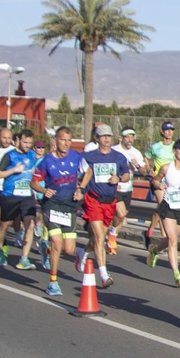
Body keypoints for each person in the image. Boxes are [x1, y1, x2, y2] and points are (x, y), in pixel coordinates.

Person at [31, 127, 86, 297]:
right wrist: (43, 189)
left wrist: (81, 189)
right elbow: (33, 182)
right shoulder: (46, 161)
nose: (66, 143)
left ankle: (45, 250)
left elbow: (88, 171)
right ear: (56, 140)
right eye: (63, 140)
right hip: (52, 205)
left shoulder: (76, 157)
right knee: (57, 242)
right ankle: (53, 282)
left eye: (69, 140)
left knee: (69, 250)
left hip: (69, 206)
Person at [77, 124, 131, 289]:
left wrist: (119, 179)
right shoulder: (88, 157)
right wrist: (80, 190)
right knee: (100, 238)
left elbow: (127, 175)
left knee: (96, 239)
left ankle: (83, 252)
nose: (107, 138)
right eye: (103, 136)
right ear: (97, 138)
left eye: (109, 136)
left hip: (110, 201)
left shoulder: (119, 157)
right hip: (93, 200)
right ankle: (104, 275)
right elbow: (81, 177)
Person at [149, 138, 180, 287]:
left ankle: (155, 251)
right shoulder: (166, 167)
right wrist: (160, 184)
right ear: (174, 151)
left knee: (173, 238)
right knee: (173, 240)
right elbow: (155, 181)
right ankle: (177, 275)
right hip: (168, 206)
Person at [0, 129, 40, 269]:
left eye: (30, 143)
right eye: (25, 142)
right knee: (4, 225)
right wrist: (13, 170)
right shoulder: (10, 156)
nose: (27, 145)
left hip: (27, 196)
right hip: (10, 195)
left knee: (30, 225)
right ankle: (0, 250)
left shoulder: (33, 155)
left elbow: (40, 172)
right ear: (18, 141)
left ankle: (24, 258)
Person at [144, 121, 177, 249]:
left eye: (171, 130)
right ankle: (164, 237)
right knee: (163, 205)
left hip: (172, 181)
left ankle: (149, 232)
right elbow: (146, 156)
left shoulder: (176, 147)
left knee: (162, 208)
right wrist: (149, 169)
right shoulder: (155, 146)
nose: (169, 132)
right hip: (159, 180)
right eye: (167, 130)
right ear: (162, 132)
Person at [114, 127, 146, 248]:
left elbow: (143, 172)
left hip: (128, 188)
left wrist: (137, 165)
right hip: (116, 187)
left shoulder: (136, 153)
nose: (130, 140)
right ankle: (112, 236)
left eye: (132, 137)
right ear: (122, 138)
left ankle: (111, 234)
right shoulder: (114, 150)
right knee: (121, 214)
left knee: (122, 215)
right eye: (127, 137)